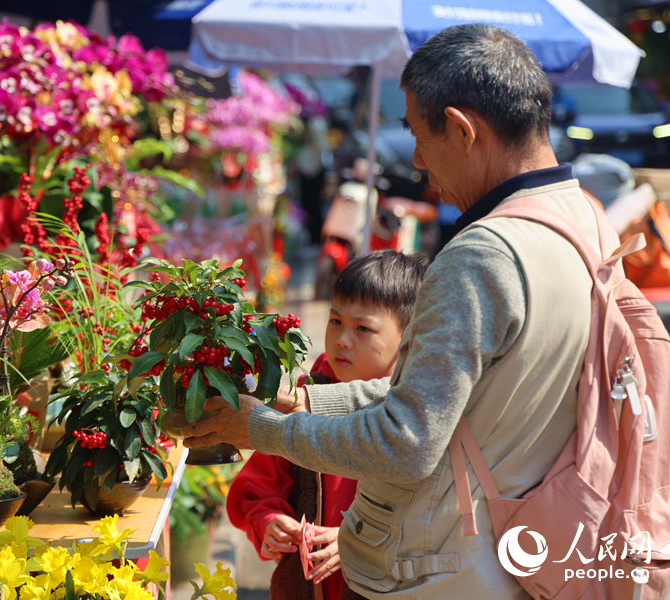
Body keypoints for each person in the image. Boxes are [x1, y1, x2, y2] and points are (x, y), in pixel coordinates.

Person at [183, 23, 603, 598]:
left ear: (460, 128)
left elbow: (407, 441)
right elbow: (447, 397)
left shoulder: (485, 254)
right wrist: (303, 398)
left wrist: (257, 427)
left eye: (417, 133)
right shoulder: (583, 222)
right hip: (528, 551)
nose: (416, 159)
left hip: (449, 566)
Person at [226, 251, 426, 600]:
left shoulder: (415, 414)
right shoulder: (309, 397)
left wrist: (354, 541)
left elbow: (429, 518)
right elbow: (259, 487)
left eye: (363, 328)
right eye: (336, 321)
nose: (341, 339)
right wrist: (268, 521)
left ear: (407, 338)